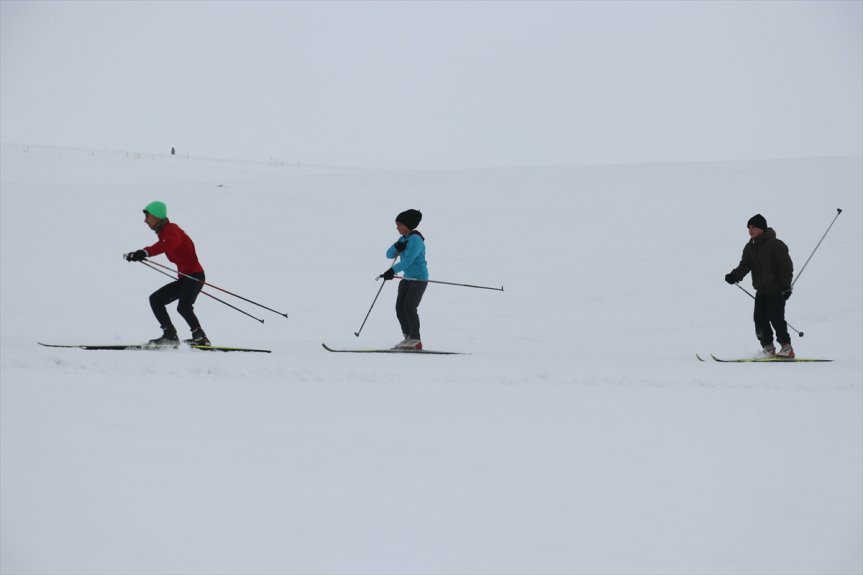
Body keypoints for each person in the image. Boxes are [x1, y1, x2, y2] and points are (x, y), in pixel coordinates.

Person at [124, 201, 211, 346]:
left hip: (194, 276)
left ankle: (201, 338)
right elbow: (163, 244)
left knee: (184, 307)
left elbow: (168, 244)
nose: (145, 220)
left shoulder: (172, 230)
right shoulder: (164, 233)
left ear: (157, 216)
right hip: (185, 278)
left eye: (148, 216)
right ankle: (170, 335)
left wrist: (145, 252)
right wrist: (138, 254)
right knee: (156, 299)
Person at [725, 214, 794, 357]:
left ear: (762, 228)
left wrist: (786, 286)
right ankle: (768, 348)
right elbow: (745, 265)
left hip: (777, 289)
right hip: (761, 291)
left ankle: (787, 348)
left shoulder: (775, 244)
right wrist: (734, 276)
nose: (750, 230)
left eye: (753, 227)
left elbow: (786, 267)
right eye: (749, 227)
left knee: (776, 318)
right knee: (759, 319)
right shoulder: (750, 247)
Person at [380, 209, 428, 350]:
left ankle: (415, 340)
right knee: (399, 308)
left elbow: (408, 262)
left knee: (409, 307)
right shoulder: (404, 239)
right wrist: (397, 246)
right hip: (406, 279)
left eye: (399, 224)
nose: (397, 227)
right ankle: (407, 337)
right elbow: (389, 255)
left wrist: (391, 271)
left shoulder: (416, 240)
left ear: (408, 224)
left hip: (418, 279)